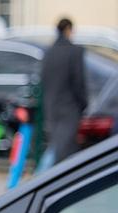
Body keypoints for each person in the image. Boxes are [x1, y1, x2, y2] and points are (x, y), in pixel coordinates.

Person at [38, 17, 88, 170]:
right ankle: (43, 177)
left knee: (56, 146)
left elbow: (43, 79)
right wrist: (83, 104)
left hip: (51, 107)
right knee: (64, 151)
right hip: (70, 108)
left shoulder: (49, 52)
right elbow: (79, 81)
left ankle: (43, 175)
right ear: (68, 30)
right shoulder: (75, 51)